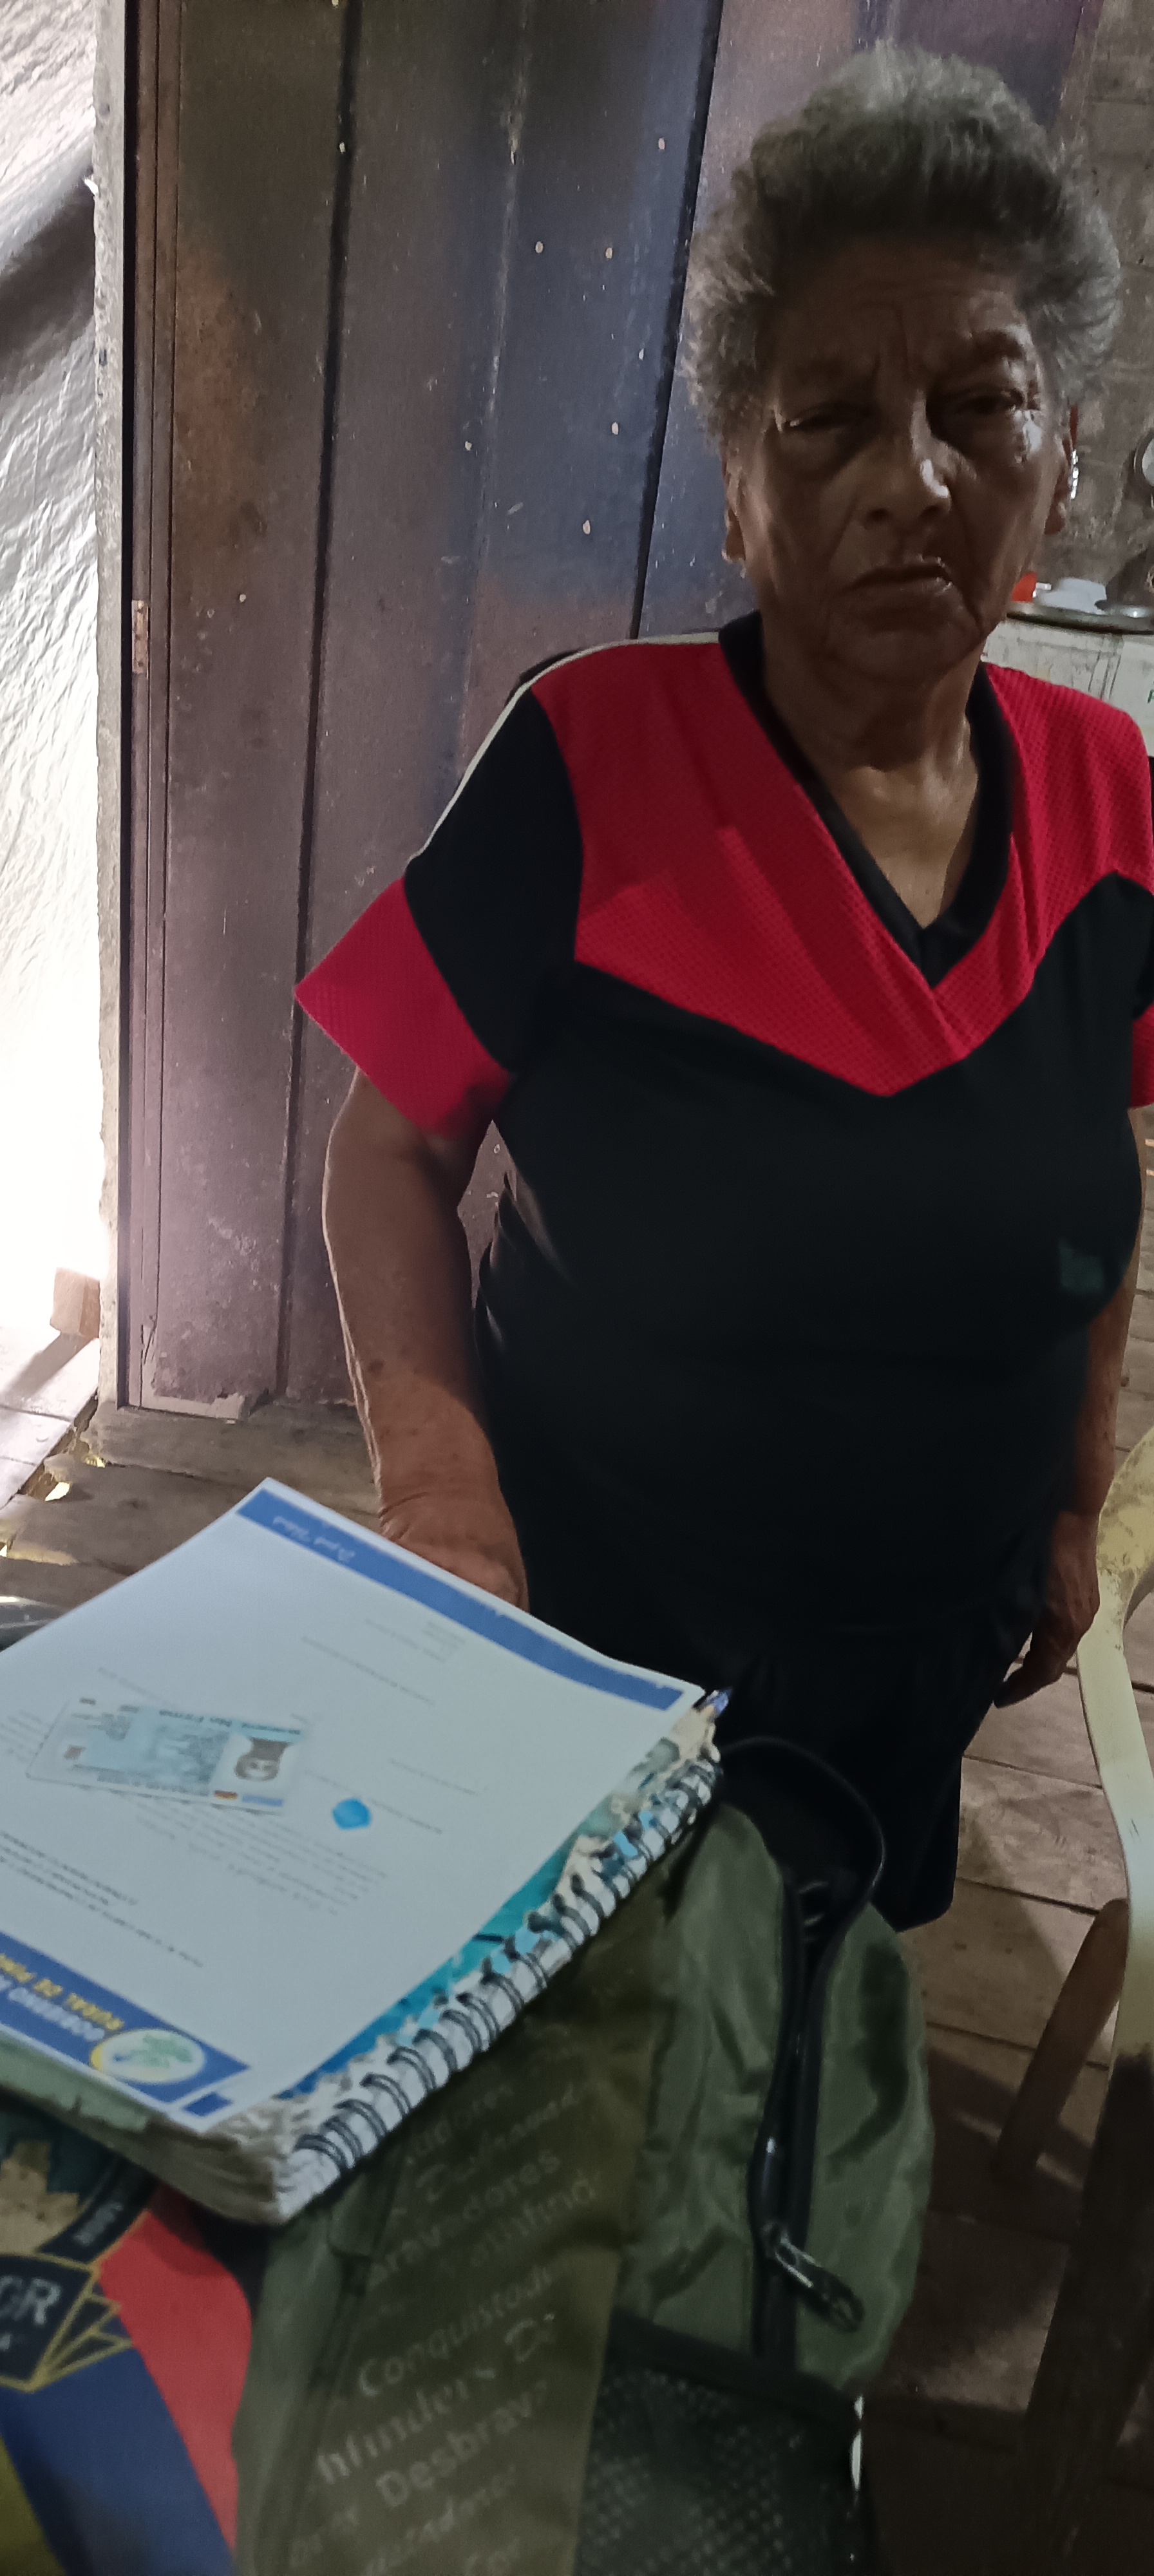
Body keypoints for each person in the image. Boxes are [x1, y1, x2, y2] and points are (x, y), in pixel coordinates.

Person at [298, 49, 1153, 1928]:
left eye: (982, 406)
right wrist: (443, 1498)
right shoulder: (591, 766)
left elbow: (1101, 1167)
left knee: (811, 2036)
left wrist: (1077, 1495)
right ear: (741, 494)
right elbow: (386, 1154)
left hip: (918, 1661)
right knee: (566, 2045)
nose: (912, 479)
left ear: (1062, 461)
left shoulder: (1113, 805)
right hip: (591, 1654)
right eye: (830, 418)